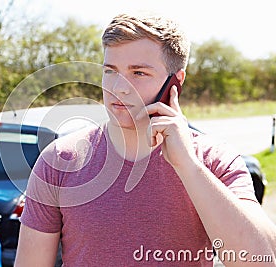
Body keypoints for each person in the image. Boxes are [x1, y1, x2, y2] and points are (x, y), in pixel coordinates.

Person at [15, 13, 276, 267]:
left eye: (138, 73)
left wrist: (188, 166)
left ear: (176, 81)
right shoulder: (59, 160)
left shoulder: (214, 159)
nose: (118, 88)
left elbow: (262, 260)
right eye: (110, 71)